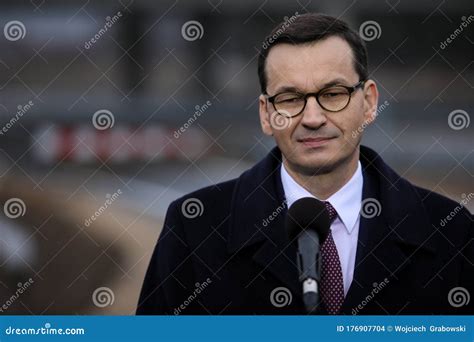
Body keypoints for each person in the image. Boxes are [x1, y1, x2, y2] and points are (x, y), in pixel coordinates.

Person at [137, 13, 473, 315]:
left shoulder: (451, 231)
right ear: (266, 115)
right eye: (290, 99)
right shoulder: (193, 229)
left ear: (369, 102)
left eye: (333, 93)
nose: (312, 118)